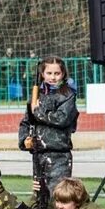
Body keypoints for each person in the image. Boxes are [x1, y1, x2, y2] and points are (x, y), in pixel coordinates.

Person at [18, 56, 79, 193]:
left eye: (57, 73)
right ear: (42, 74)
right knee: (39, 198)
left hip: (59, 155)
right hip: (39, 155)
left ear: (63, 74)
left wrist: (38, 111)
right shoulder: (37, 95)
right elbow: (26, 121)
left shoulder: (68, 95)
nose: (53, 77)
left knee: (58, 197)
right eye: (49, 73)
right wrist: (24, 139)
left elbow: (61, 118)